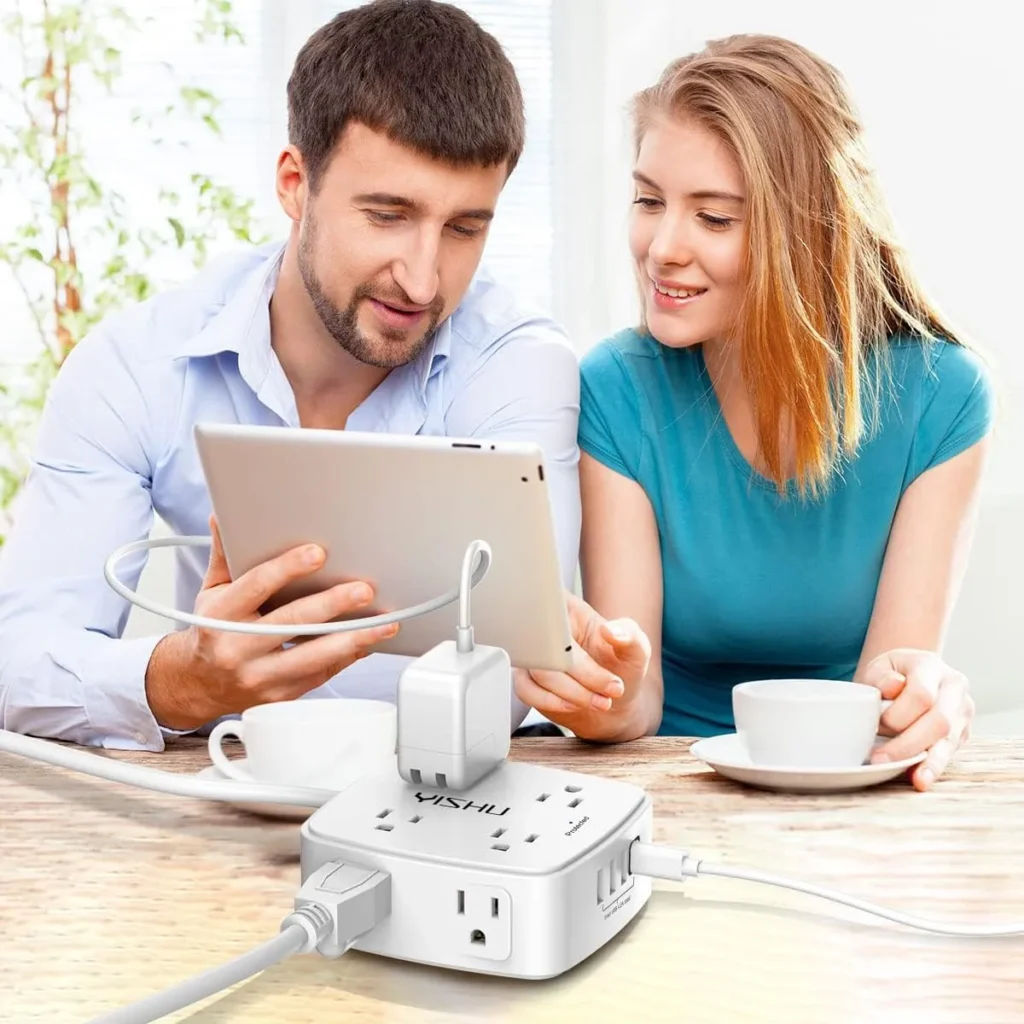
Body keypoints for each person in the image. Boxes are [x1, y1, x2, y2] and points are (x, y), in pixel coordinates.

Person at [0, 0, 637, 750]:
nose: (424, 281)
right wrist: (178, 680)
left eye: (465, 228)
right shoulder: (139, 365)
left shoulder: (519, 365)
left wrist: (595, 690)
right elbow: (17, 657)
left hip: (446, 802)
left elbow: (513, 669)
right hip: (215, 801)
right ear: (295, 184)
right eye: (387, 215)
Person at [514, 34, 994, 791]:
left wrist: (925, 695)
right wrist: (598, 695)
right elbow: (635, 703)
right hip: (667, 783)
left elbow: (887, 690)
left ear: (805, 230)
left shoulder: (942, 397)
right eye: (648, 201)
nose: (662, 247)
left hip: (841, 778)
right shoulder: (616, 388)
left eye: (714, 218)